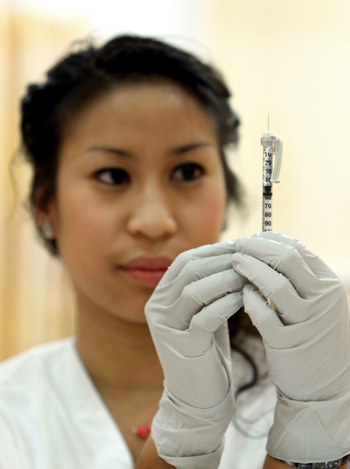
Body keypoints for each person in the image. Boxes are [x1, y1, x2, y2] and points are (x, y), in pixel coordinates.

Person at [0, 34, 349, 469]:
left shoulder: (319, 395)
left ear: (226, 197)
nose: (154, 222)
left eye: (187, 172)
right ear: (44, 205)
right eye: (112, 175)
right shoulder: (10, 415)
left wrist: (314, 424)